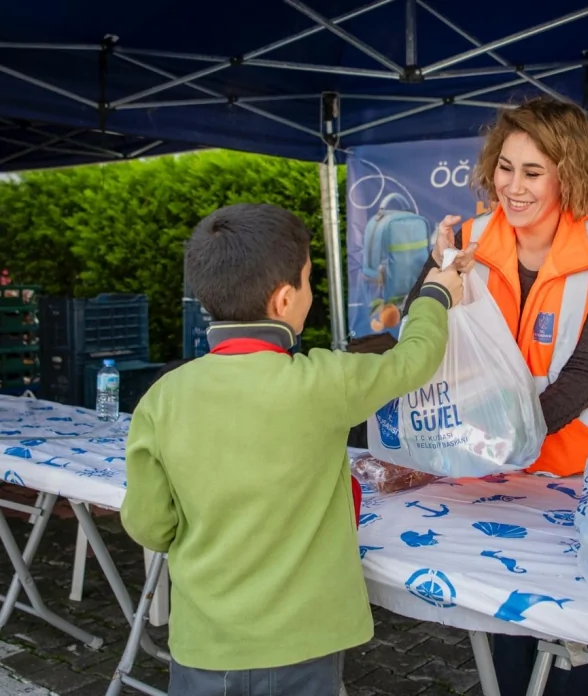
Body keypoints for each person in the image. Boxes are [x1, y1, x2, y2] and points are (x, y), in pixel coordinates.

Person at [120, 202, 463, 696]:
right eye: (307, 281)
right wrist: (435, 292)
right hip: (302, 643)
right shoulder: (323, 382)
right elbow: (414, 359)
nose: (310, 294)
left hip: (203, 644)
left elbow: (149, 526)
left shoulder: (162, 397)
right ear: (284, 300)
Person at [405, 96, 588, 696]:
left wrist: (509, 435)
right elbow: (420, 332)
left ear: (569, 173)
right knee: (506, 629)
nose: (513, 185)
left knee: (572, 642)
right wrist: (438, 273)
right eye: (505, 167)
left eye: (533, 171)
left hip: (571, 477)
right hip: (486, 477)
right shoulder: (469, 239)